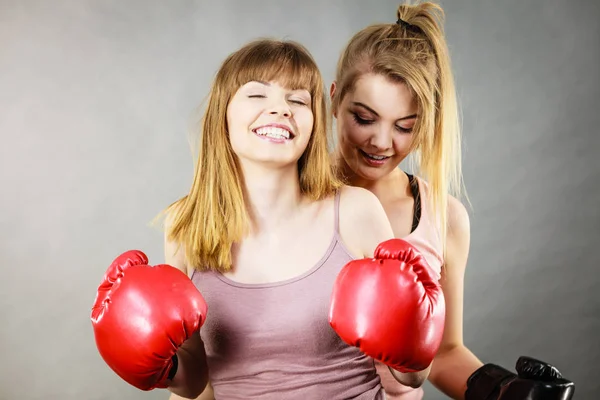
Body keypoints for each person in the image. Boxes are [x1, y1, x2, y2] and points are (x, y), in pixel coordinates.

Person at [90, 38, 447, 400]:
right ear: (223, 113)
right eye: (258, 95)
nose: (280, 110)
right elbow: (195, 386)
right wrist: (167, 371)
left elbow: (412, 377)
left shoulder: (355, 210)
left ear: (313, 124)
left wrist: (410, 351)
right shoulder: (185, 227)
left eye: (297, 100)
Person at [329, 2, 575, 400]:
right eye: (364, 118)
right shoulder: (291, 195)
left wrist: (503, 390)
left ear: (424, 125)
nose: (381, 142)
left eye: (404, 126)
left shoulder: (444, 218)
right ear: (335, 100)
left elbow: (442, 354)